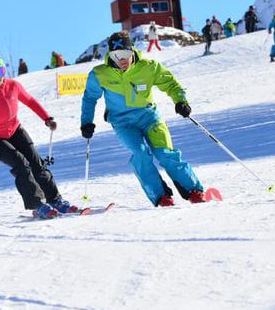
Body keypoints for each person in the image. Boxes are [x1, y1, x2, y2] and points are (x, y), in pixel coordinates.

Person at [80, 32, 209, 207]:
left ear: (132, 51)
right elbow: (90, 98)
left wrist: (180, 101)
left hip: (149, 118)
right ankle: (161, 196)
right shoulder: (100, 74)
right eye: (116, 56)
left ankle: (194, 190)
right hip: (123, 123)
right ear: (110, 55)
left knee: (165, 153)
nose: (122, 60)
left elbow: (170, 83)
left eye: (126, 54)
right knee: (140, 154)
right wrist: (86, 122)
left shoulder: (148, 67)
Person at [0, 52, 74, 219]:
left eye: (0, 72)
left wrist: (46, 118)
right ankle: (37, 205)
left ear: (5, 71)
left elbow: (30, 101)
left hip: (15, 131)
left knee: (36, 164)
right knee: (21, 164)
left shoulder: (13, 86)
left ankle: (56, 200)